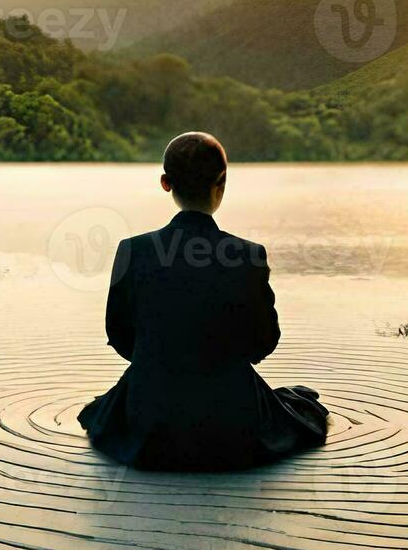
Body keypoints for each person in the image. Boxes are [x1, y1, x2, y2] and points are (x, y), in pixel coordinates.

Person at [78, 132, 328, 471]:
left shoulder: (132, 250)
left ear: (165, 183)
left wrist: (165, 361)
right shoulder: (248, 255)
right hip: (228, 418)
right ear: (222, 182)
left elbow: (121, 336)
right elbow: (263, 343)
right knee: (301, 405)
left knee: (107, 411)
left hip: (153, 416)